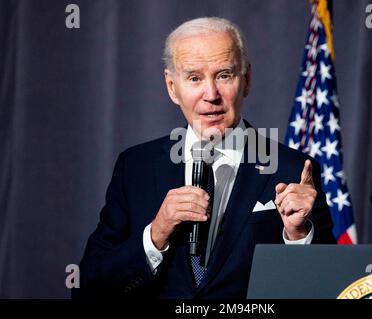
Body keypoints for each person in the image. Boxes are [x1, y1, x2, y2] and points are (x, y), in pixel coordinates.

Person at [75, 17, 335, 299]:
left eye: (224, 75)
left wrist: (298, 237)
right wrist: (155, 234)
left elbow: (329, 288)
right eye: (194, 78)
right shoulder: (136, 167)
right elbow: (89, 288)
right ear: (172, 87)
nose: (211, 95)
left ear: (246, 80)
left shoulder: (294, 169)